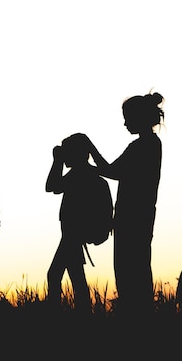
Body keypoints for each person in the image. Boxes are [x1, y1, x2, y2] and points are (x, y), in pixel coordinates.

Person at [89, 91, 164, 320]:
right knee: (139, 271)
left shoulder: (142, 146)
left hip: (132, 221)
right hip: (140, 219)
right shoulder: (152, 144)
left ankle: (136, 320)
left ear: (138, 117)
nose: (124, 123)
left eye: (127, 118)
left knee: (129, 274)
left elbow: (111, 171)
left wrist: (89, 148)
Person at [45, 133, 113, 315]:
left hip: (73, 235)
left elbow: (52, 186)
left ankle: (57, 316)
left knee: (54, 275)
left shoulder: (80, 174)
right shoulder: (86, 173)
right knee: (76, 278)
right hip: (73, 235)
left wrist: (57, 161)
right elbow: (53, 187)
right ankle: (83, 315)